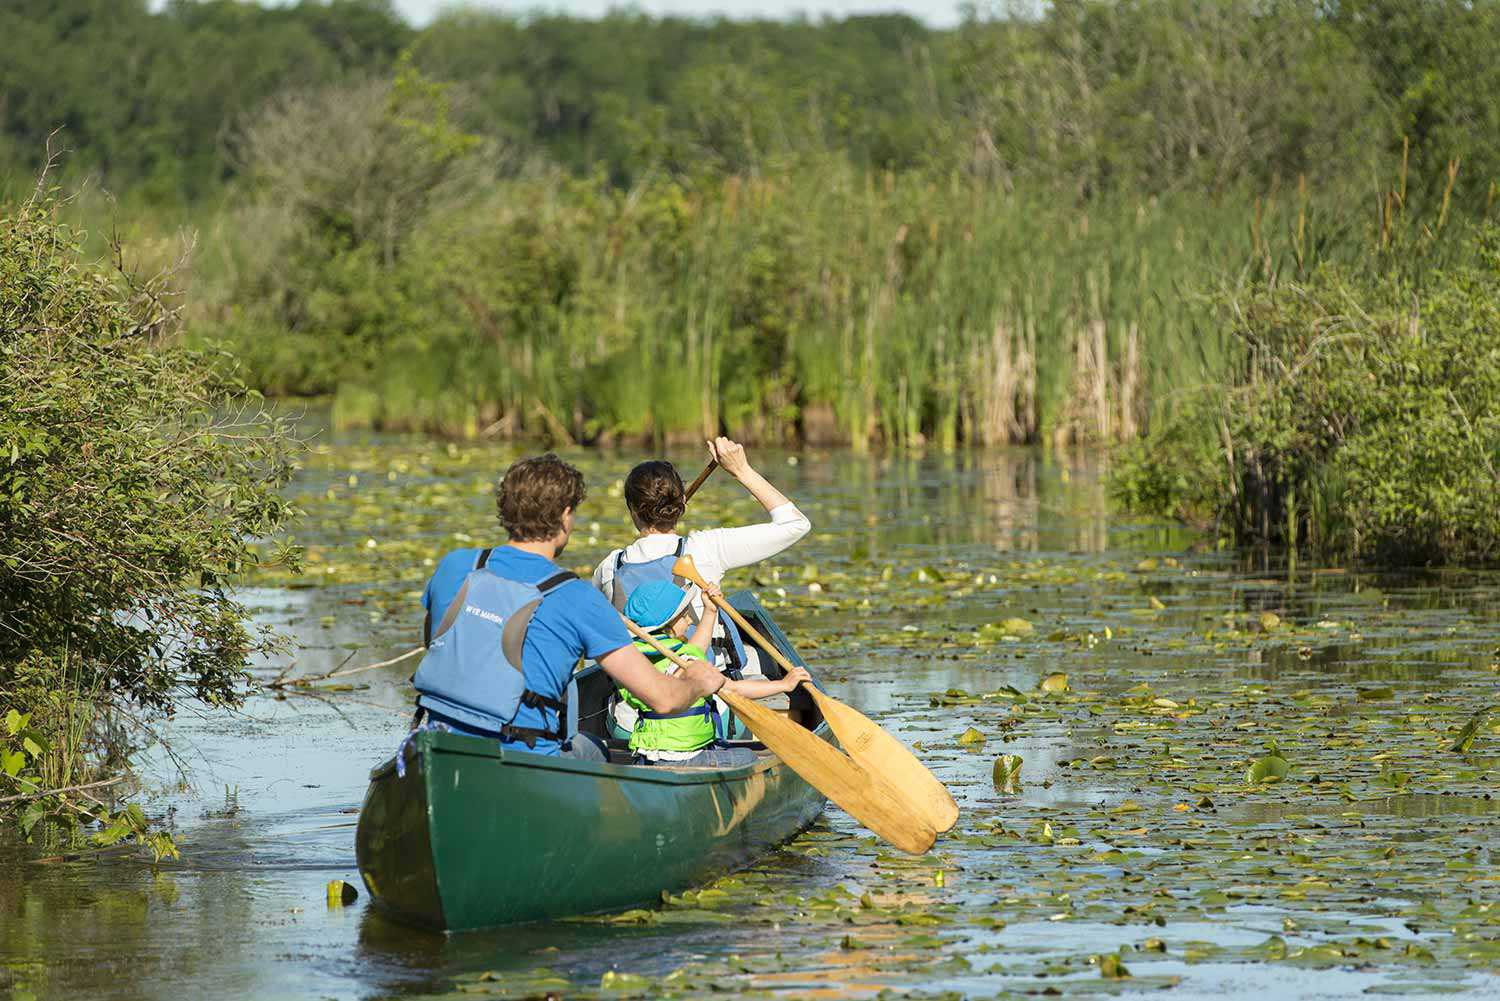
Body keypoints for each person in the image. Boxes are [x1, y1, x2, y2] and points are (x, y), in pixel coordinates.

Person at [413, 453, 724, 761]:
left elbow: (438, 643)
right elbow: (663, 699)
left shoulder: (455, 566)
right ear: (564, 516)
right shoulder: (577, 597)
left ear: (505, 507)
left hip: (438, 743)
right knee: (597, 750)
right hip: (525, 758)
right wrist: (697, 682)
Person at [593, 436, 810, 673]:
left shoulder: (609, 566)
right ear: (682, 503)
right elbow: (795, 525)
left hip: (636, 694)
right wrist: (741, 470)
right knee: (761, 661)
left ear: (632, 509)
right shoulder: (706, 548)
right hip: (702, 690)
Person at [618, 580, 811, 767]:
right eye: (684, 615)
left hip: (647, 755)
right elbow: (734, 689)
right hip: (686, 758)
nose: (690, 619)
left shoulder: (633, 661)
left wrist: (710, 611)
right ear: (668, 626)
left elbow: (695, 649)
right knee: (749, 758)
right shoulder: (687, 665)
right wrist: (783, 685)